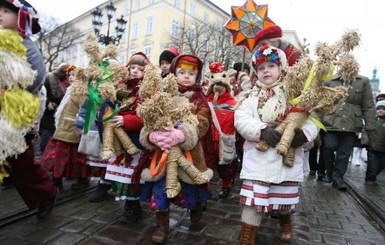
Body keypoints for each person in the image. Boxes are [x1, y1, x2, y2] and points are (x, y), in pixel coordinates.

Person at [234, 45, 319, 244]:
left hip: (285, 159)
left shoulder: (294, 93)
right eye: (261, 67)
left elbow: (311, 118)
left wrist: (304, 135)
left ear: (282, 68)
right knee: (253, 200)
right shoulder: (251, 96)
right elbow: (240, 118)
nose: (266, 71)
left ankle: (286, 221)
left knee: (283, 200)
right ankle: (248, 235)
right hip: (258, 157)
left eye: (271, 65)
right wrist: (260, 130)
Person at [139, 54, 213, 243]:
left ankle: (195, 213)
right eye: (182, 72)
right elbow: (149, 119)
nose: (186, 77)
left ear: (197, 76)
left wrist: (183, 133)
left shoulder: (198, 98)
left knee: (192, 189)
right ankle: (161, 225)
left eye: (191, 73)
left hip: (190, 154)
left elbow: (203, 122)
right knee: (161, 191)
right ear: (174, 73)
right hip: (162, 152)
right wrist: (152, 136)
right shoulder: (162, 94)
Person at [0, 0, 57, 219]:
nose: (0, 14)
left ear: (22, 17)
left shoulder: (26, 44)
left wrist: (8, 88)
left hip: (15, 115)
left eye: (6, 11)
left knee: (19, 160)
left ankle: (46, 194)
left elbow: (37, 77)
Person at [322, 55, 376, 190]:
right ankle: (329, 171)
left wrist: (370, 127)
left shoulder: (362, 81)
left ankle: (338, 179)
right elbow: (321, 102)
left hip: (351, 123)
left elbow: (368, 105)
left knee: (344, 153)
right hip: (331, 121)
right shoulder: (330, 81)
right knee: (328, 147)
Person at [40, 65, 90, 191]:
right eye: (70, 75)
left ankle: (59, 179)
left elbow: (84, 111)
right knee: (61, 155)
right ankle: (58, 179)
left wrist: (80, 127)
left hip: (72, 129)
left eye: (74, 75)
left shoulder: (82, 92)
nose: (70, 78)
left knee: (66, 156)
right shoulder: (71, 89)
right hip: (64, 128)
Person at [112, 52, 149, 222]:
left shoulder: (146, 90)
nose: (134, 71)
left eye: (139, 69)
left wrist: (127, 120)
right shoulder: (122, 88)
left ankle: (133, 206)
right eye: (131, 67)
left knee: (133, 175)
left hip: (135, 138)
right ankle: (129, 204)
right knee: (122, 174)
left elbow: (147, 115)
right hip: (120, 137)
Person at [205, 62, 238, 199]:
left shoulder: (233, 104)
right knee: (206, 166)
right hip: (208, 142)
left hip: (225, 141)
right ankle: (205, 190)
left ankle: (226, 185)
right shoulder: (206, 102)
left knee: (225, 168)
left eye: (222, 86)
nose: (218, 88)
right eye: (215, 86)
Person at [39, 63, 71, 154]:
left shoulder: (71, 84)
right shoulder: (50, 79)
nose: (71, 77)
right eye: (69, 75)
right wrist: (48, 102)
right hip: (48, 115)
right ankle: (43, 157)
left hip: (60, 118)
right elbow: (42, 94)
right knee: (46, 138)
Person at [365, 100, 385, 185]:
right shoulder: (372, 121)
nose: (380, 110)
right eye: (378, 108)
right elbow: (365, 131)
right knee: (372, 165)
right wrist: (365, 142)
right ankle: (370, 179)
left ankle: (373, 175)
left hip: (383, 149)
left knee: (382, 165)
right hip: (372, 147)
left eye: (383, 109)